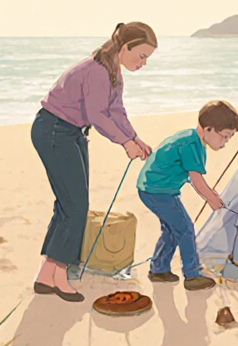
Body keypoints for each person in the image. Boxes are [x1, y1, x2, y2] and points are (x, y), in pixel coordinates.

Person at [30, 22, 157, 302]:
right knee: (75, 206)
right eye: (142, 56)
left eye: (147, 58)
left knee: (68, 203)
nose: (144, 63)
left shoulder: (114, 73)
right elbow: (98, 116)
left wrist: (135, 138)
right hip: (54, 130)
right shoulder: (97, 71)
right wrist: (125, 143)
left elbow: (116, 111)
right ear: (125, 48)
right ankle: (60, 278)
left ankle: (45, 275)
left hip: (71, 133)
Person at [136, 100, 238, 291]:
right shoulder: (192, 144)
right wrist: (211, 198)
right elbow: (196, 179)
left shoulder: (193, 140)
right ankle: (192, 275)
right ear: (208, 129)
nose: (224, 143)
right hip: (157, 191)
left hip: (154, 188)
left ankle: (159, 268)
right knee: (185, 229)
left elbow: (192, 177)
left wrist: (210, 194)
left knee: (172, 229)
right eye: (224, 137)